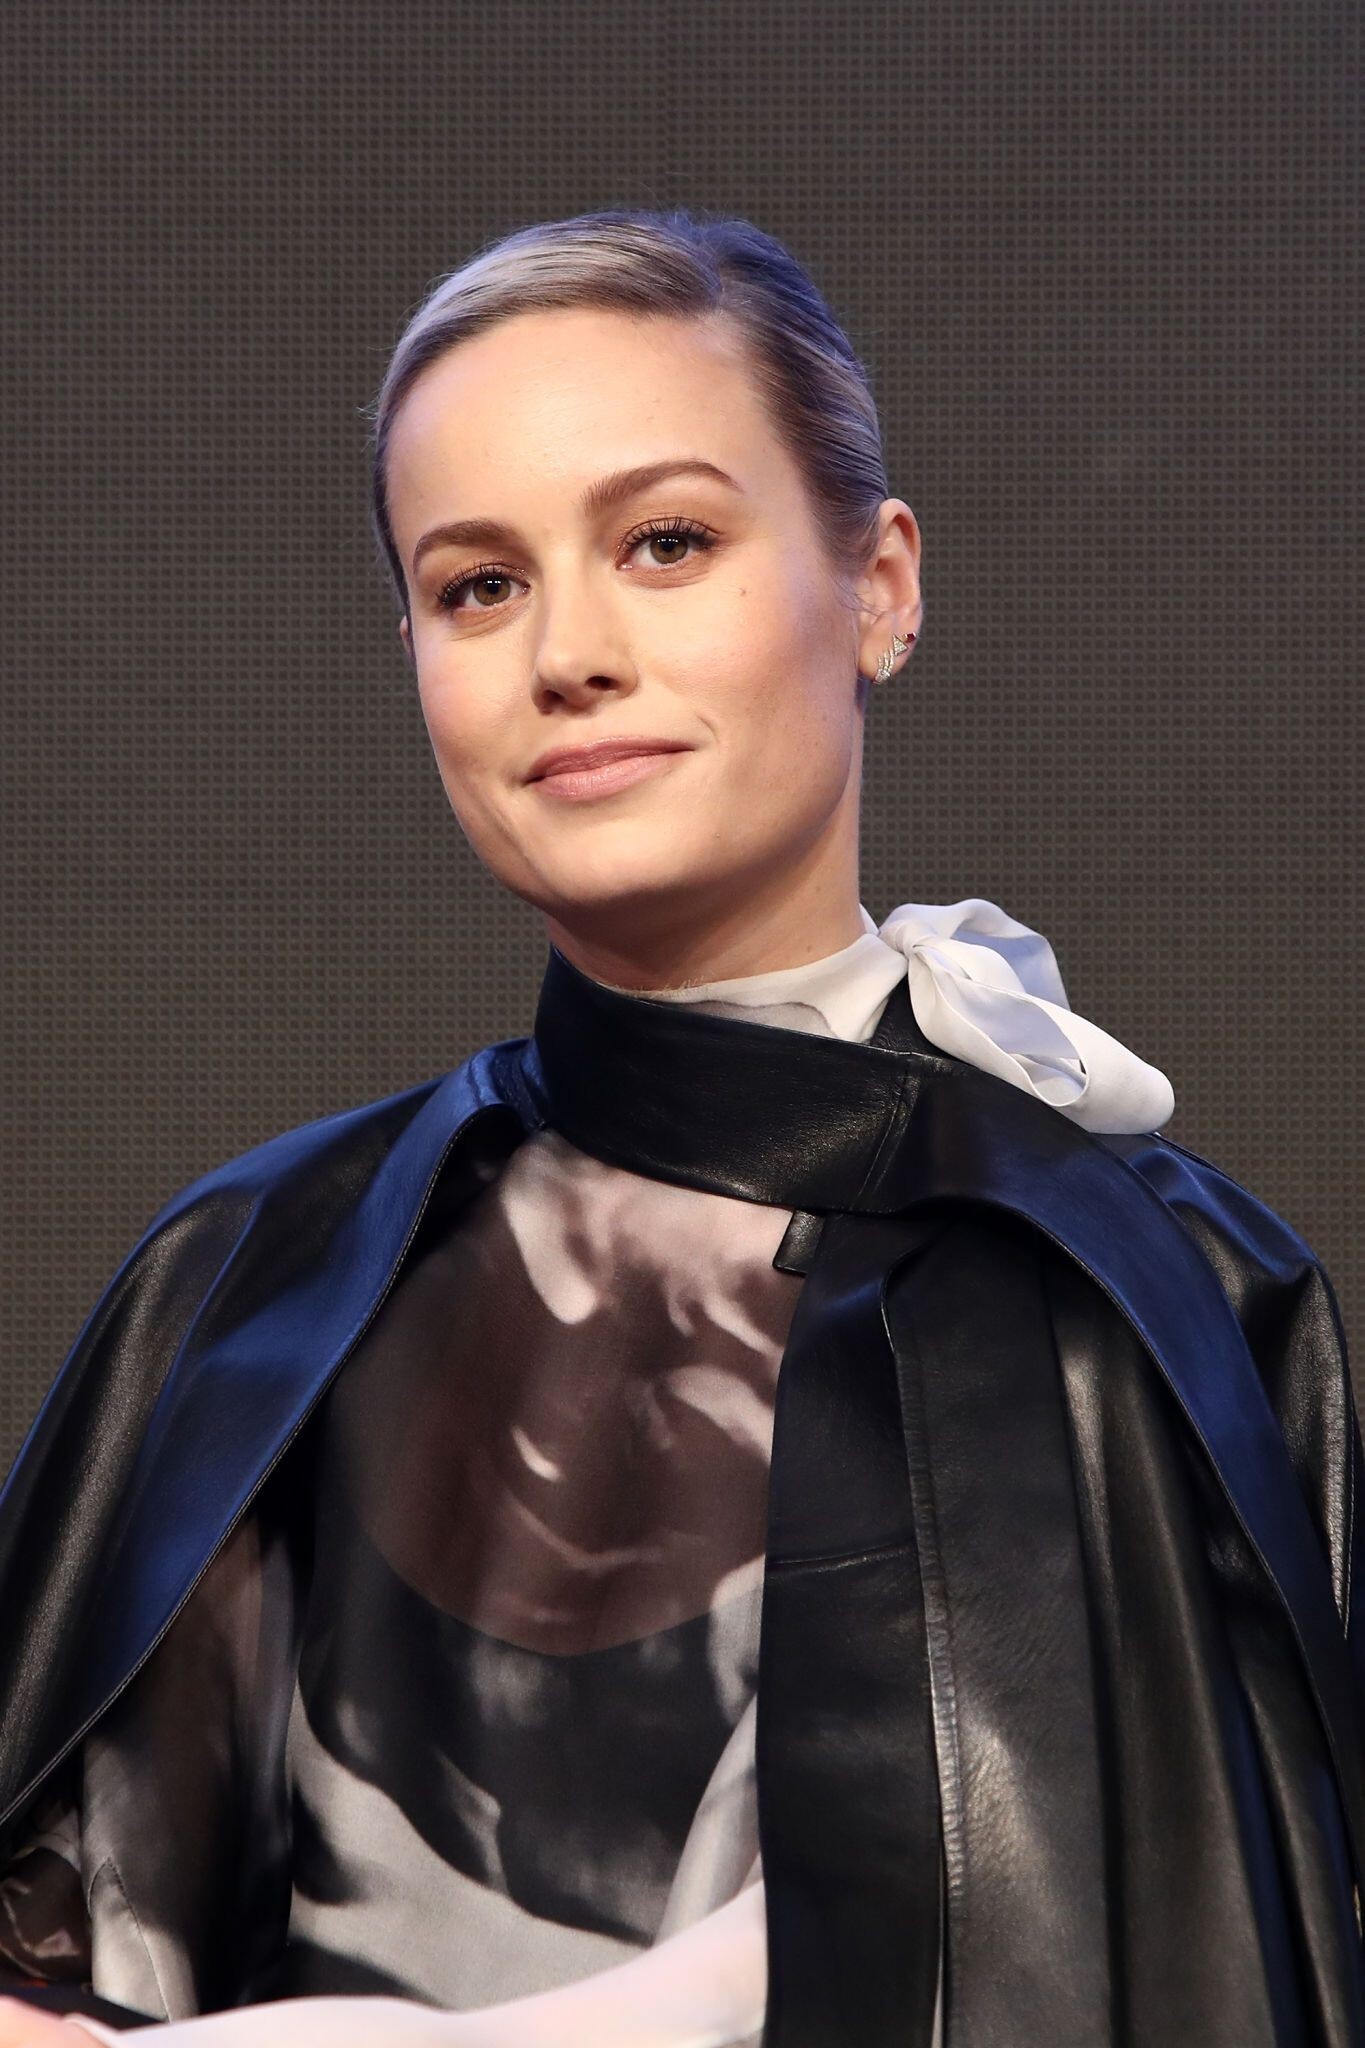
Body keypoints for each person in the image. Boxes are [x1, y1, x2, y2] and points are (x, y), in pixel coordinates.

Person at [0, 205, 1361, 2048]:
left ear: (877, 586)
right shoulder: (252, 1283)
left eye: (665, 543)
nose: (569, 653)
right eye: (478, 585)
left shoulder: (1154, 1292)